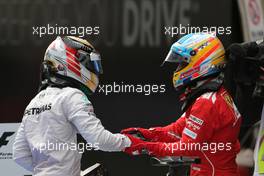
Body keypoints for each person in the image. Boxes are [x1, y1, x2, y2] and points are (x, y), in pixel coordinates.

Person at [122, 33, 242, 176]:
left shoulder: (206, 103)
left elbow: (187, 148)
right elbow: (178, 130)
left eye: (183, 63)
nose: (178, 68)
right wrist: (146, 134)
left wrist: (144, 147)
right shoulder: (212, 95)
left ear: (202, 62)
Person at [13, 36, 131, 176]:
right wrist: (130, 141)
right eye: (90, 63)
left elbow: (19, 154)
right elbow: (99, 140)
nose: (94, 70)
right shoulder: (71, 96)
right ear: (68, 60)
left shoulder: (34, 102)